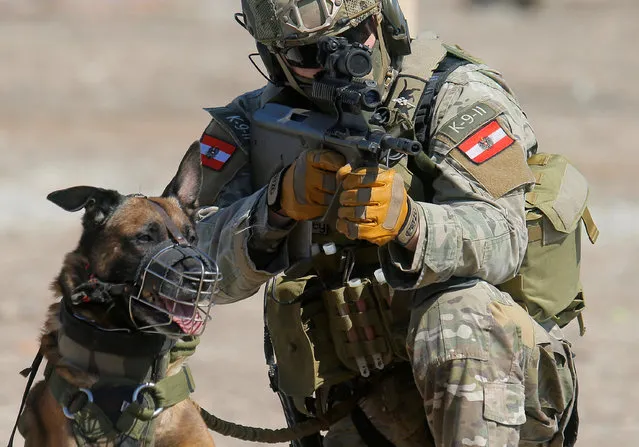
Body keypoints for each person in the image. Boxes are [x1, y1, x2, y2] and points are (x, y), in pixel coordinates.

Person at [193, 1, 579, 446]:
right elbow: (188, 262)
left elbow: (506, 237)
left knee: (461, 311)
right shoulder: (250, 124)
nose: (341, 62)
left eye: (357, 37)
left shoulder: (457, 96)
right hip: (354, 396)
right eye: (308, 55)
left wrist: (412, 225)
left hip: (498, 396)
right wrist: (274, 208)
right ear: (273, 58)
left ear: (385, 21)